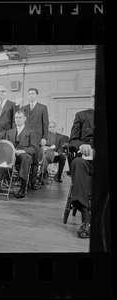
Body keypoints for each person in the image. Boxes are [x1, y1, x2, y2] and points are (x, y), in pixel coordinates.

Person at [68, 87, 94, 238]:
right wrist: (81, 145)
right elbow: (73, 140)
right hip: (87, 157)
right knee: (77, 163)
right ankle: (86, 219)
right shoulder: (82, 115)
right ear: (91, 98)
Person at [5, 110, 38, 198]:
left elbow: (34, 147)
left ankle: (22, 188)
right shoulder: (9, 132)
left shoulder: (31, 131)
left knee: (24, 158)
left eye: (20, 117)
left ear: (24, 119)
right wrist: (12, 151)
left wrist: (24, 151)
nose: (17, 119)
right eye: (16, 118)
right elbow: (6, 145)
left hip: (25, 154)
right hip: (12, 153)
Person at [20, 88, 49, 190]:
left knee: (35, 161)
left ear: (36, 95)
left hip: (37, 138)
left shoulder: (42, 108)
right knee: (26, 159)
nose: (31, 96)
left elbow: (46, 124)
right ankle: (24, 182)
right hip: (26, 137)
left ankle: (33, 182)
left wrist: (44, 137)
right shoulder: (24, 108)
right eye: (29, 94)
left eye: (33, 94)